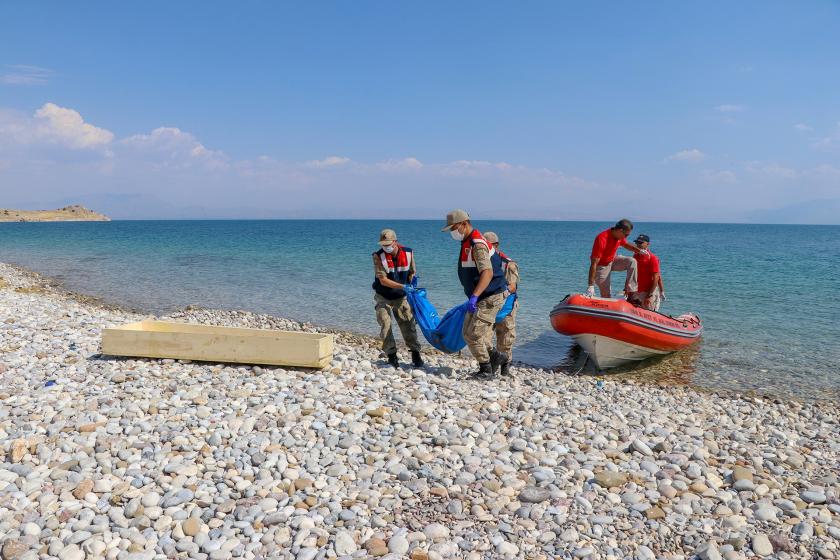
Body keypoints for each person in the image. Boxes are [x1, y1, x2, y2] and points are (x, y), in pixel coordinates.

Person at [441, 210, 508, 379]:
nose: (452, 232)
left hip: (489, 296)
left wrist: (475, 296)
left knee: (473, 335)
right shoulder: (467, 241)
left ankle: (485, 370)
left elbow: (487, 273)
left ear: (464, 224)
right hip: (481, 296)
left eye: (454, 228)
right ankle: (496, 358)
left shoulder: (477, 244)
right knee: (467, 332)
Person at [371, 228, 423, 368]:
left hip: (401, 297)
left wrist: (412, 283)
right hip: (383, 296)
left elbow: (412, 271)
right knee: (385, 324)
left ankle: (416, 354)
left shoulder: (408, 253)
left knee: (408, 324)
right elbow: (383, 280)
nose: (386, 247)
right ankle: (392, 356)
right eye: (383, 244)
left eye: (388, 244)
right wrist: (403, 286)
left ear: (395, 242)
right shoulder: (378, 256)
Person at [484, 231, 519, 376]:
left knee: (506, 336)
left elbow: (512, 286)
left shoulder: (508, 264)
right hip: (487, 304)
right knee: (483, 336)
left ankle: (505, 368)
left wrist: (502, 295)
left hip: (507, 304)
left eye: (488, 245)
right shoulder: (482, 262)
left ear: (496, 245)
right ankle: (490, 364)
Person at [586, 219, 647, 299]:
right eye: (626, 235)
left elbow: (626, 245)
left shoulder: (619, 236)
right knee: (606, 295)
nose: (626, 237)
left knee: (632, 261)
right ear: (620, 230)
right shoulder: (602, 238)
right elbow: (594, 263)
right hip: (601, 266)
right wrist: (591, 285)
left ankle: (631, 292)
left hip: (612, 260)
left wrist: (639, 251)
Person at [632, 234, 665, 311]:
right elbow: (632, 274)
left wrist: (650, 295)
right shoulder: (635, 256)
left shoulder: (653, 258)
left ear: (648, 244)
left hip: (649, 292)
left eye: (641, 243)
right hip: (637, 291)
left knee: (649, 313)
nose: (638, 245)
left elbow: (657, 277)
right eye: (637, 243)